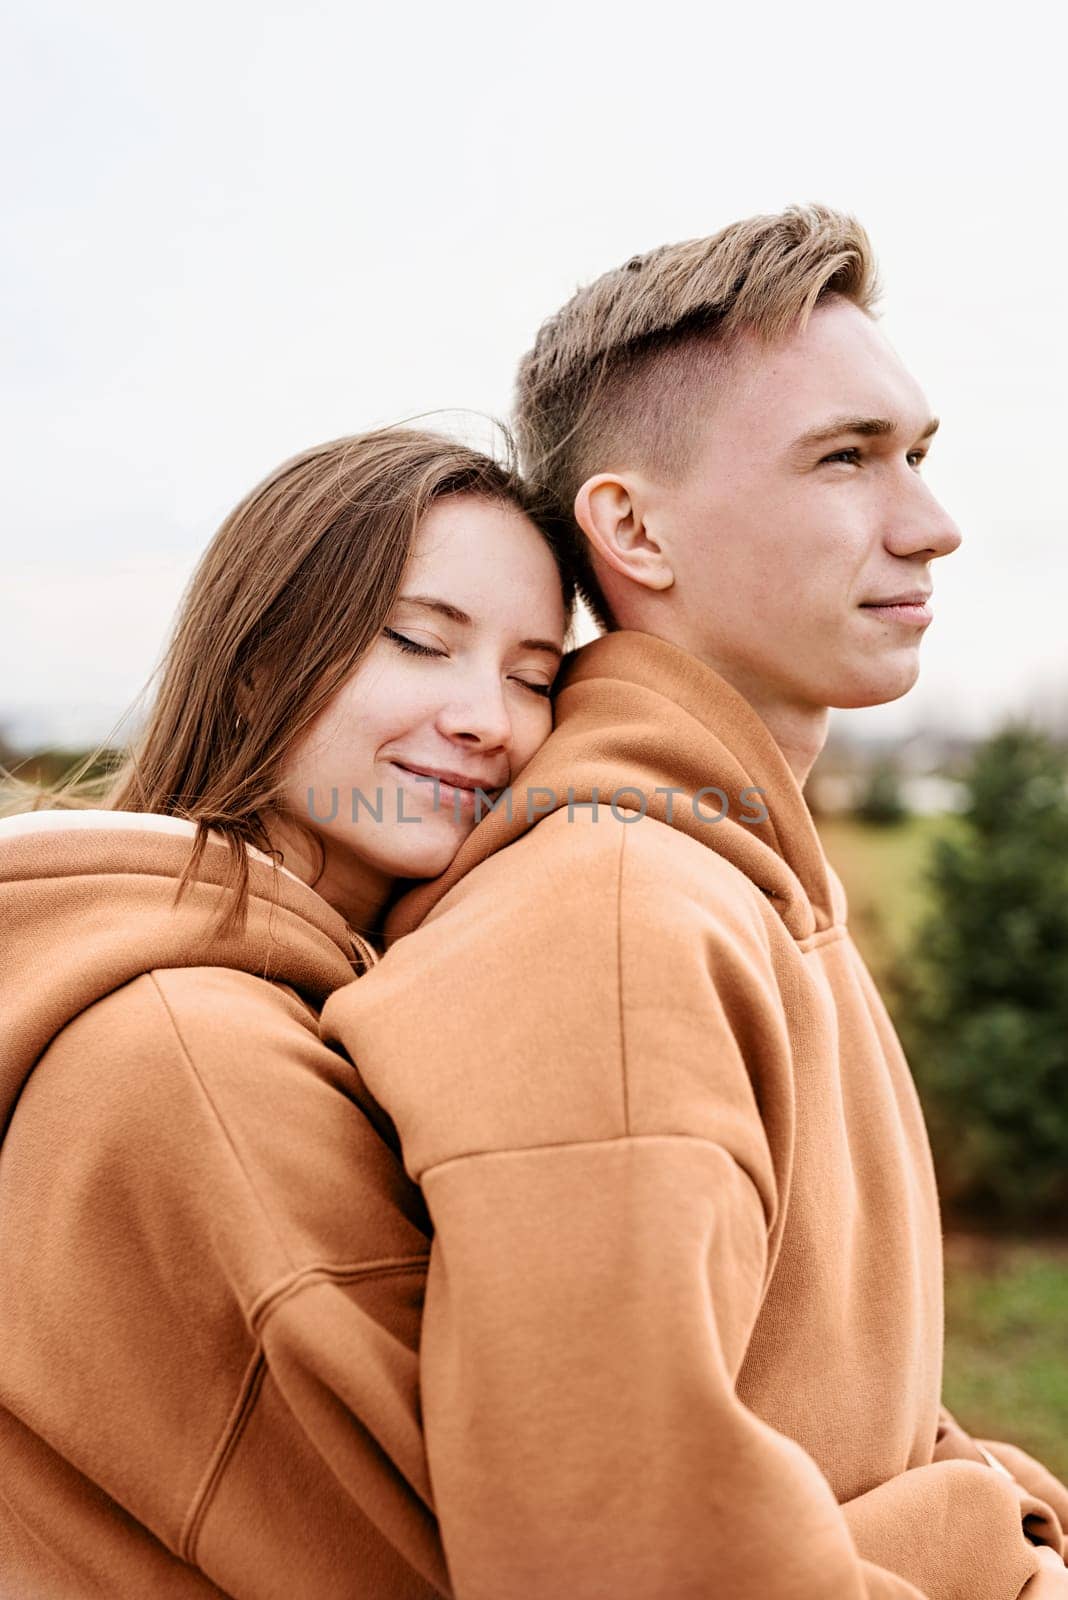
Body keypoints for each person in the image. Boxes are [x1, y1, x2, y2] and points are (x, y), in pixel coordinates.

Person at [321, 210, 1068, 1598]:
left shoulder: (733, 875)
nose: (935, 524)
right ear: (634, 530)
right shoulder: (614, 922)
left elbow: (817, 1423)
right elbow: (616, 1566)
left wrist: (982, 1517)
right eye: (844, 459)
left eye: (918, 455)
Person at [0, 427, 573, 1597]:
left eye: (535, 675)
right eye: (420, 641)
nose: (490, 720)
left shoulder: (287, 991)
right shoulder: (199, 1057)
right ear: (259, 661)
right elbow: (528, 1558)